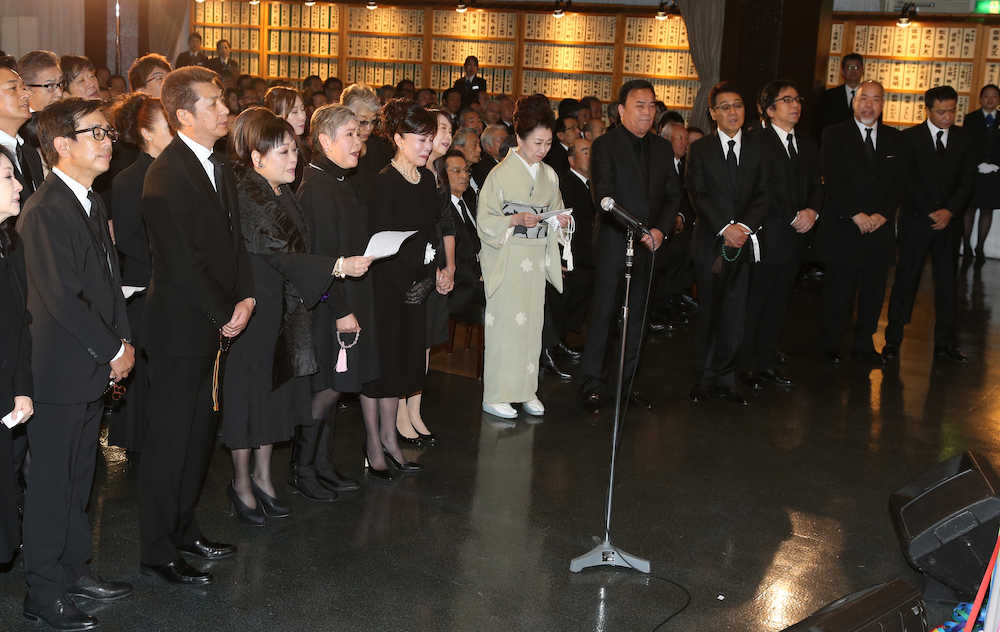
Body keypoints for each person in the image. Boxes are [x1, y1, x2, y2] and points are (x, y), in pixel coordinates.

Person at [18, 97, 135, 630]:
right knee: (51, 484)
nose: (107, 142)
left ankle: (73, 568)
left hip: (91, 364)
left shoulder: (91, 201)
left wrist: (123, 343)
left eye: (109, 133)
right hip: (60, 371)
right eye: (96, 134)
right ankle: (42, 593)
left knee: (80, 477)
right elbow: (61, 298)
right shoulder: (45, 210)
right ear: (62, 145)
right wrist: (113, 350)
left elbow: (110, 285)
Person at [139, 66, 254, 585]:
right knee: (171, 441)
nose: (224, 109)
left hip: (213, 324)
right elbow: (180, 263)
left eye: (222, 99)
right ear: (183, 115)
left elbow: (235, 243)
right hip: (182, 331)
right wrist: (223, 311)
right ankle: (158, 549)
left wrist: (246, 296)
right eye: (212, 103)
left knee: (201, 434)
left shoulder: (219, 167)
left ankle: (186, 531)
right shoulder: (166, 175)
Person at [225, 108, 368, 518]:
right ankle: (240, 482)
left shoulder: (282, 191)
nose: (293, 159)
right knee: (249, 399)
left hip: (283, 312)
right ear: (256, 158)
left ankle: (264, 477)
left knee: (275, 397)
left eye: (293, 150)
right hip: (254, 310)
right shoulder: (247, 195)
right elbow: (283, 257)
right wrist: (337, 267)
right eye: (283, 152)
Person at [297, 104, 388, 483]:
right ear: (324, 140)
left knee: (338, 388)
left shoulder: (337, 181)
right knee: (328, 389)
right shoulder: (315, 188)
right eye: (349, 134)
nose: (359, 141)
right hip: (332, 303)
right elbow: (319, 257)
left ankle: (321, 464)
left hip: (349, 297)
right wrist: (340, 310)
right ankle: (301, 470)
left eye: (359, 132)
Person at [579, 80, 681, 411]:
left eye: (652, 105)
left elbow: (672, 196)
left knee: (638, 318)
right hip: (614, 241)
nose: (647, 111)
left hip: (651, 244)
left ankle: (624, 384)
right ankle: (592, 383)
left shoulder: (662, 148)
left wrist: (660, 231)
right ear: (621, 110)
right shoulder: (605, 145)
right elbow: (603, 197)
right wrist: (638, 229)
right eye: (639, 105)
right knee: (604, 314)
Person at [477, 94, 571, 419]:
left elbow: (557, 211)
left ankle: (526, 389)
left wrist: (560, 222)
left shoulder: (550, 176)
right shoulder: (499, 175)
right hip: (509, 258)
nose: (542, 150)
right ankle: (497, 393)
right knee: (505, 327)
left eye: (547, 143)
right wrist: (514, 219)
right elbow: (486, 221)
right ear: (520, 137)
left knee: (532, 327)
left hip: (535, 259)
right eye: (536, 143)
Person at [365, 98, 439, 472]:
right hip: (386, 290)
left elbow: (432, 233)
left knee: (405, 366)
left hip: (416, 289)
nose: (427, 147)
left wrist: (426, 279)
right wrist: (404, 282)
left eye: (431, 140)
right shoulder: (383, 183)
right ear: (397, 138)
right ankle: (374, 446)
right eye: (420, 140)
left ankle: (390, 438)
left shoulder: (427, 179)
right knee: (384, 367)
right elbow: (377, 243)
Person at [686, 81, 768, 406]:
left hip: (745, 241)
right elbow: (697, 193)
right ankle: (704, 377)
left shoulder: (758, 148)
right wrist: (725, 227)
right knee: (709, 311)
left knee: (736, 312)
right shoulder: (701, 149)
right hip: (710, 242)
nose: (733, 112)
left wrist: (743, 228)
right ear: (712, 113)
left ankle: (727, 377)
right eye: (725, 107)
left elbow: (764, 193)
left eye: (738, 105)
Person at [739, 81, 822, 391]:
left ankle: (767, 361)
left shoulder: (808, 143)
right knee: (756, 301)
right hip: (768, 234)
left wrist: (813, 211)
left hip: (797, 237)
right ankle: (746, 364)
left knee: (779, 303)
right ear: (769, 109)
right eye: (786, 100)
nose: (795, 105)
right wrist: (791, 216)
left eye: (797, 99)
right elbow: (762, 190)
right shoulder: (757, 142)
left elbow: (817, 184)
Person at [884, 85, 975, 364]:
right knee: (906, 280)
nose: (948, 117)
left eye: (952, 111)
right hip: (916, 221)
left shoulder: (964, 139)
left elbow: (967, 181)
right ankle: (892, 340)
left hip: (949, 223)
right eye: (941, 112)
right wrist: (930, 211)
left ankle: (945, 344)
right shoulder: (909, 138)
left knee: (947, 284)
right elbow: (904, 181)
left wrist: (949, 210)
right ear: (928, 110)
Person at [106, 94, 174, 455]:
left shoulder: (177, 169)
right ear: (147, 133)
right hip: (144, 285)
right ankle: (141, 441)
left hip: (170, 283)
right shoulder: (130, 178)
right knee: (145, 369)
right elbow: (130, 238)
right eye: (169, 128)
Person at [817, 80, 901, 365]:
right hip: (844, 225)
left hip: (879, 229)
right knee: (839, 290)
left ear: (882, 104)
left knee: (874, 291)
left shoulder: (894, 138)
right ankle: (832, 345)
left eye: (877, 99)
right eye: (865, 98)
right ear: (854, 101)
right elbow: (832, 179)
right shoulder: (834, 134)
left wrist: (883, 214)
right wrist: (855, 214)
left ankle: (865, 345)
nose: (870, 105)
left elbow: (899, 184)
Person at [395, 107, 456, 446]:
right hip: (416, 266)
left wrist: (450, 267)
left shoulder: (437, 172)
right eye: (438, 131)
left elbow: (446, 224)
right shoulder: (408, 174)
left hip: (437, 263)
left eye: (448, 131)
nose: (444, 137)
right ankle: (401, 412)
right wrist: (433, 267)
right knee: (411, 342)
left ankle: (416, 409)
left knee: (428, 340)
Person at [0, 147, 32, 568]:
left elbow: (19, 327)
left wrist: (20, 389)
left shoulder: (9, 246)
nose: (20, 185)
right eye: (8, 177)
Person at [441, 149, 484, 324]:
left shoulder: (468, 202)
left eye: (466, 170)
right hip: (461, 285)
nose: (464, 175)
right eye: (456, 171)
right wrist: (480, 276)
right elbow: (450, 256)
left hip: (479, 275)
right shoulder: (442, 209)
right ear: (442, 175)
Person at [963, 84, 1000, 262]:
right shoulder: (970, 119)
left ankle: (980, 247)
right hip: (974, 172)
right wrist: (977, 164)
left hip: (994, 173)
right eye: (986, 96)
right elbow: (966, 146)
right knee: (969, 209)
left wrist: (996, 165)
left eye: (994, 96)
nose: (990, 99)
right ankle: (967, 245)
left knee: (987, 210)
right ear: (980, 99)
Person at [263, 86, 309, 188]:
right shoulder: (271, 153)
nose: (303, 117)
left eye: (302, 109)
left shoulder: (304, 149)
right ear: (276, 115)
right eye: (295, 112)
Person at [820, 53, 864, 135]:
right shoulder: (829, 96)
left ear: (862, 70)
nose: (853, 70)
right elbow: (821, 125)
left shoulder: (870, 96)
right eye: (849, 67)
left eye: (857, 67)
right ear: (843, 71)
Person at [473, 124, 508, 191]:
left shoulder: (512, 160)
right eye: (501, 140)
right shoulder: (481, 168)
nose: (506, 143)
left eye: (507, 139)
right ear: (488, 146)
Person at [452, 127, 482, 193]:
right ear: (459, 148)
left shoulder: (479, 171)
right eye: (474, 145)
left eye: (479, 145)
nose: (479, 150)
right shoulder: (451, 178)